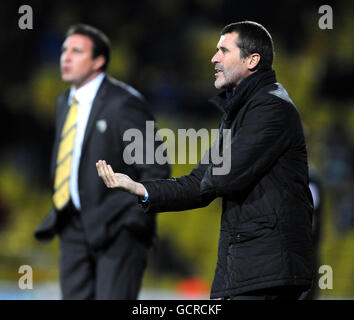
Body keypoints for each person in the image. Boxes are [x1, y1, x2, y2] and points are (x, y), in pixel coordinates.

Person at [96, 21, 315, 300]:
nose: (214, 58)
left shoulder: (271, 107)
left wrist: (206, 177)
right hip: (248, 269)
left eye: (223, 50)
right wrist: (142, 188)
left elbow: (224, 177)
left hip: (268, 272)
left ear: (252, 60)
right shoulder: (240, 110)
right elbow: (202, 180)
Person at [34, 24, 170, 299]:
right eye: (64, 50)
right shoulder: (64, 102)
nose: (66, 57)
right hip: (73, 226)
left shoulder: (124, 103)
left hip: (118, 231)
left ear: (98, 61)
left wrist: (132, 222)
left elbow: (156, 167)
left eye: (77, 51)